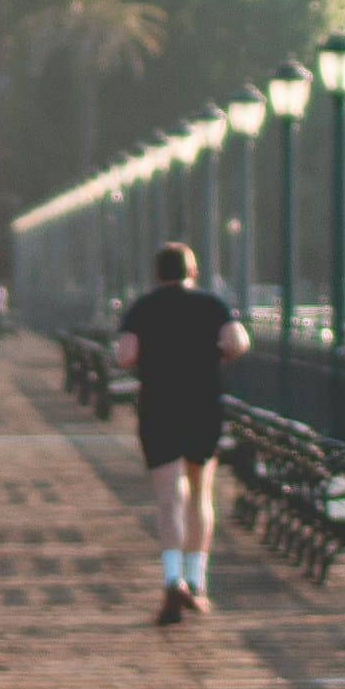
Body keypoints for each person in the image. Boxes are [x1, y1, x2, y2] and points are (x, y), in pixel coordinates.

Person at [119, 237, 243, 624]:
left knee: (168, 496)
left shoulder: (142, 308)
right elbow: (238, 341)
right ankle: (197, 580)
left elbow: (124, 355)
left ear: (157, 274)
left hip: (158, 407)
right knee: (200, 493)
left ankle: (172, 579)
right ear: (192, 271)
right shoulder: (211, 305)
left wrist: (151, 360)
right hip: (202, 405)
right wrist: (213, 355)